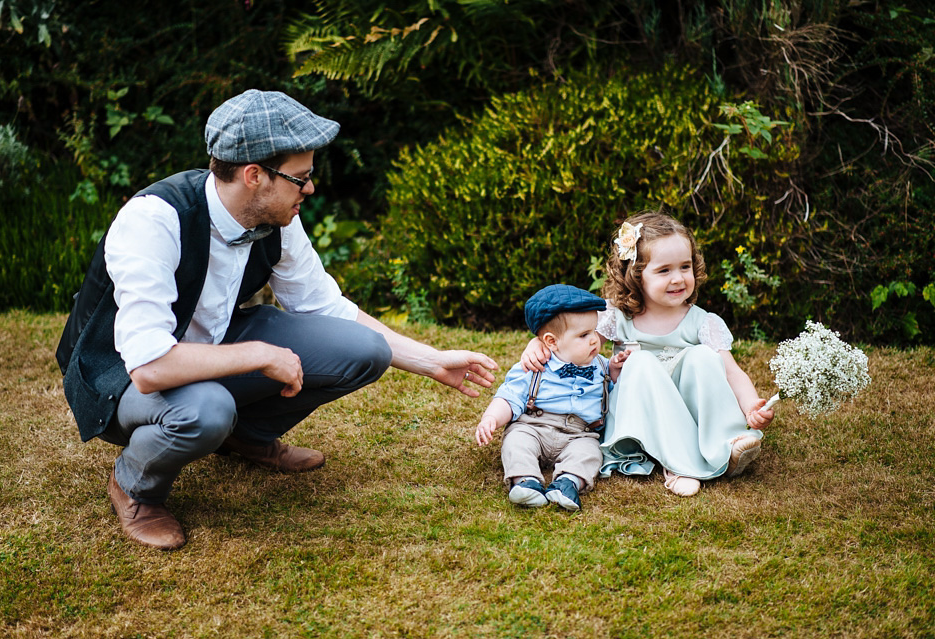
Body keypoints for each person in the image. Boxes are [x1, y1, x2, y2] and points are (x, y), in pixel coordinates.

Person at [55, 89, 498, 550]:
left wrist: (431, 361)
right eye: (300, 178)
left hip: (213, 345)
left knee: (365, 350)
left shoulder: (277, 217)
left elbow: (326, 307)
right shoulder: (155, 220)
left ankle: (244, 438)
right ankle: (136, 487)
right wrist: (260, 354)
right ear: (254, 175)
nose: (310, 189)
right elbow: (148, 367)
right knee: (206, 411)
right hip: (116, 376)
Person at [521, 211, 773, 497]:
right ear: (636, 275)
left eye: (685, 267)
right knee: (639, 361)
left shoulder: (703, 321)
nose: (678, 278)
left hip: (687, 414)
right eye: (664, 270)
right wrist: (538, 343)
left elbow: (731, 371)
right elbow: (572, 342)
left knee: (703, 358)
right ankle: (679, 465)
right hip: (638, 413)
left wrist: (751, 405)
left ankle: (725, 444)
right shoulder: (617, 317)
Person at [475, 285, 629, 511]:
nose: (595, 340)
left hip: (580, 433)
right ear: (552, 341)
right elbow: (510, 396)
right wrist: (491, 418)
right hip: (535, 425)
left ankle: (568, 482)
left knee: (590, 453)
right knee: (517, 442)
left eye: (594, 331)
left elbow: (612, 392)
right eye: (584, 335)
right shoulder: (534, 366)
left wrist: (616, 371)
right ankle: (526, 481)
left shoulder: (601, 366)